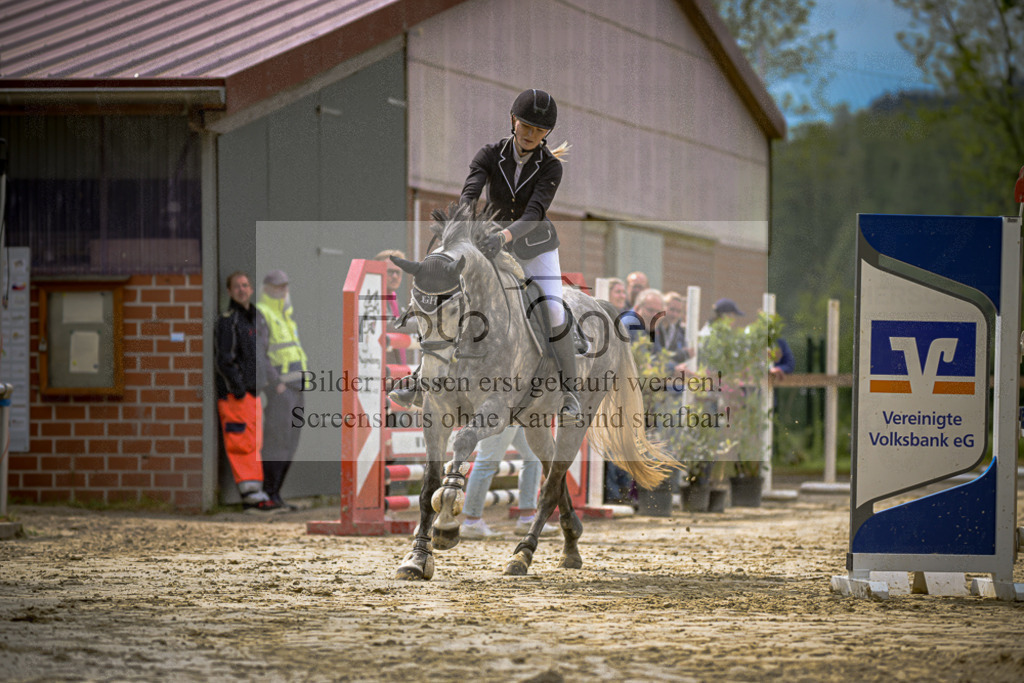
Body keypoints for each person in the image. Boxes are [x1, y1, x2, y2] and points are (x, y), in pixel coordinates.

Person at [392, 88, 579, 417]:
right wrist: (466, 226)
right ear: (513, 121)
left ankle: (570, 393)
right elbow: (470, 192)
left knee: (552, 309)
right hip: (487, 239)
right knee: (449, 299)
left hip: (534, 245)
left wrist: (505, 236)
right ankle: (420, 380)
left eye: (539, 131)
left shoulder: (551, 167)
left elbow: (534, 212)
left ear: (547, 134)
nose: (531, 135)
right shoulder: (491, 154)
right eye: (526, 126)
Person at [215, 271, 281, 513]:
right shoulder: (228, 320)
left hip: (254, 394)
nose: (242, 289)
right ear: (230, 291)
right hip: (237, 396)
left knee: (254, 443)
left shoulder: (256, 317)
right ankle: (251, 496)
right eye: (236, 286)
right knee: (241, 444)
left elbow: (263, 355)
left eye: (245, 285)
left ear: (251, 289)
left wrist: (271, 383)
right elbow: (224, 360)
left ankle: (257, 493)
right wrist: (239, 390)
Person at [254, 269, 308, 510]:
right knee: (278, 442)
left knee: (291, 443)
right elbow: (260, 354)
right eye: (277, 286)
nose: (283, 290)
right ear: (266, 288)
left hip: (297, 387)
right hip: (282, 389)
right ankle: (268, 493)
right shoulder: (262, 313)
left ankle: (276, 495)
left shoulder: (287, 315)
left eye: (285, 285)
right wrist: (276, 383)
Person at [460, 426, 560, 539]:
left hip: (518, 413)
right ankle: (472, 523)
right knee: (487, 462)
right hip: (502, 412)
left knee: (533, 456)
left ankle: (527, 519)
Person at [374, 249, 417, 367]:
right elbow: (389, 324)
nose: (395, 276)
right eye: (390, 272)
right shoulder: (372, 297)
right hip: (376, 372)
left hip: (395, 375)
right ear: (378, 272)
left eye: (398, 272)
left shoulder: (394, 301)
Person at [655, 291, 691, 374]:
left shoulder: (677, 330)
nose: (674, 314)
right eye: (671, 309)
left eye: (678, 311)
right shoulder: (654, 326)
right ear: (663, 307)